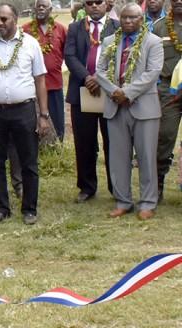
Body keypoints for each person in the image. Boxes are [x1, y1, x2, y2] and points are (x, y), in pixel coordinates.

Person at [0, 4, 51, 225]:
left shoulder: (30, 44)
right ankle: (1, 208)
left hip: (23, 110)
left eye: (3, 19)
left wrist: (43, 115)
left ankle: (29, 209)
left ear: (15, 20)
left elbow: (40, 79)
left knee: (28, 161)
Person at [96, 3, 163, 220]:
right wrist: (115, 91)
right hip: (115, 107)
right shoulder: (109, 42)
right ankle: (123, 201)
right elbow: (100, 70)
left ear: (141, 19)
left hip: (144, 107)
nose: (127, 21)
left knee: (146, 157)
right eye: (124, 17)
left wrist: (128, 93)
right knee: (117, 158)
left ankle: (148, 202)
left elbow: (152, 73)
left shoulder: (153, 42)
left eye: (132, 17)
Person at [64, 0, 119, 203]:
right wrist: (87, 77)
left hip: (110, 93)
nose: (94, 6)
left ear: (107, 5)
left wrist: (100, 78)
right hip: (82, 91)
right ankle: (87, 187)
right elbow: (69, 56)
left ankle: (117, 187)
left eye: (99, 2)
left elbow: (120, 57)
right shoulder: (75, 28)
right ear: (85, 7)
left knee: (113, 142)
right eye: (90, 2)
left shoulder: (117, 27)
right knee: (84, 142)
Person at [22, 0, 68, 140]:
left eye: (44, 6)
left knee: (58, 123)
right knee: (32, 124)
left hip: (54, 85)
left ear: (51, 9)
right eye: (38, 6)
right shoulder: (25, 30)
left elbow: (67, 53)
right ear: (34, 9)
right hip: (31, 87)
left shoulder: (60, 29)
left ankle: (57, 152)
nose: (41, 8)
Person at [152, 0, 182, 201]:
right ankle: (158, 182)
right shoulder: (159, 26)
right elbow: (152, 58)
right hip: (168, 91)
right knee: (165, 135)